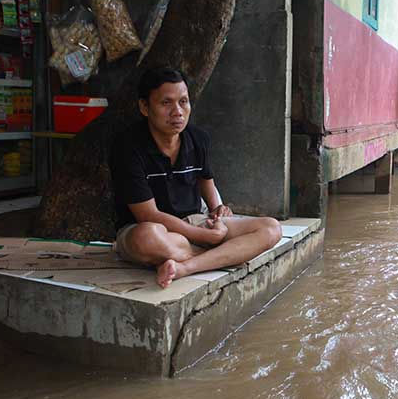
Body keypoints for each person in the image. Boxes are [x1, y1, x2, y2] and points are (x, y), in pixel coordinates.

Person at [109, 68, 282, 288]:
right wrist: (205, 237)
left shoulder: (197, 138)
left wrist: (217, 208)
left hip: (194, 222)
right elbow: (148, 214)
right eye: (166, 103)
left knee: (271, 228)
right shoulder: (128, 147)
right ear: (145, 107)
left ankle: (184, 267)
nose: (177, 112)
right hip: (149, 229)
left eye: (183, 102)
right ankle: (223, 254)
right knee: (148, 238)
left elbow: (206, 181)